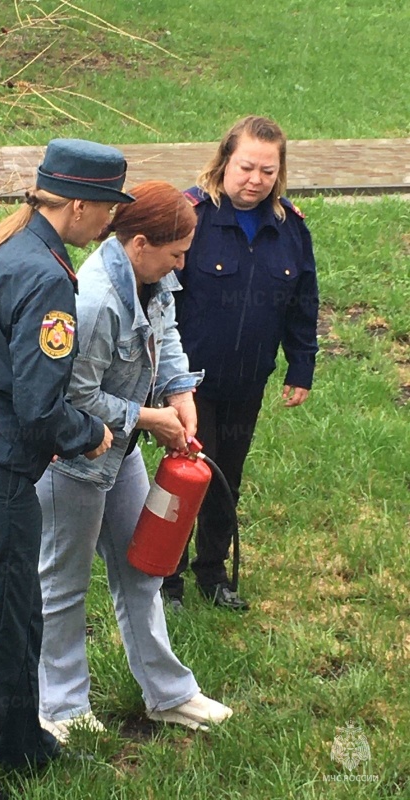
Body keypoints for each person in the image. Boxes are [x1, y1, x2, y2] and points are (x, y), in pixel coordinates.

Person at [0, 138, 134, 799]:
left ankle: (21, 743)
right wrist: (93, 432)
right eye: (107, 209)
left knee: (20, 612)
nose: (112, 223)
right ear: (77, 205)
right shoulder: (47, 276)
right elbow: (40, 408)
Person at [36, 181, 234, 743]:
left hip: (119, 455)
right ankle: (63, 707)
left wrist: (179, 392)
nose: (183, 265)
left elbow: (166, 334)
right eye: (176, 254)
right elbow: (75, 399)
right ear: (139, 243)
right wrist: (152, 420)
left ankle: (169, 695)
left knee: (145, 567)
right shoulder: (93, 301)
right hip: (72, 459)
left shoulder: (155, 276)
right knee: (63, 585)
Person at [162, 115, 319, 612]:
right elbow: (158, 301)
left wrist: (301, 367)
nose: (255, 179)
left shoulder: (289, 228)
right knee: (182, 476)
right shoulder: (190, 216)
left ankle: (213, 573)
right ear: (225, 159)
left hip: (248, 381)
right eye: (247, 166)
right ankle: (168, 580)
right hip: (189, 384)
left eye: (268, 171)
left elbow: (303, 302)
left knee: (227, 477)